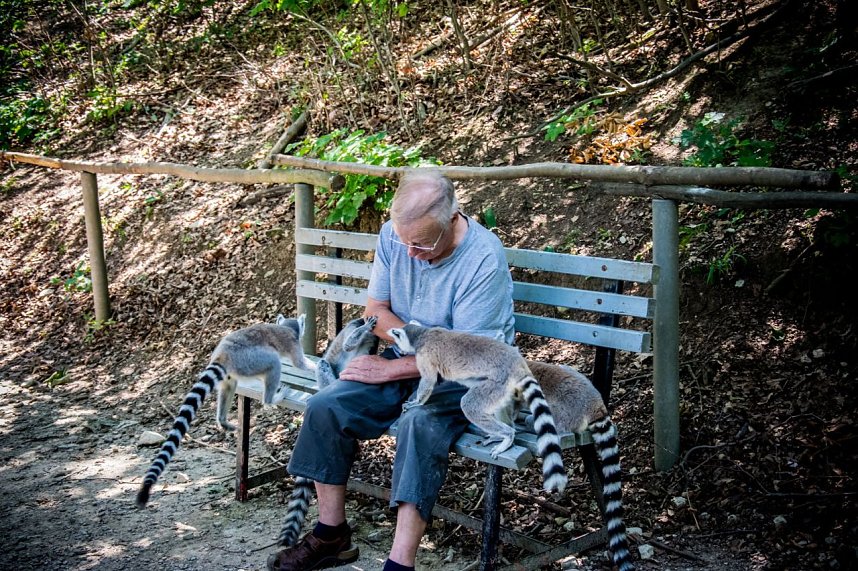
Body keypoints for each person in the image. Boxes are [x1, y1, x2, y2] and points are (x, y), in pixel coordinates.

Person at [267, 170, 515, 571]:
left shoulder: (483, 258)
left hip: (472, 378)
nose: (411, 254)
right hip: (409, 361)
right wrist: (400, 357)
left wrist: (391, 365)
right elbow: (375, 312)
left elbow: (467, 355)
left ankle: (400, 563)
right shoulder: (394, 236)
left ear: (453, 218)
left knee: (419, 422)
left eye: (422, 244)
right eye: (406, 242)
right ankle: (332, 535)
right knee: (326, 405)